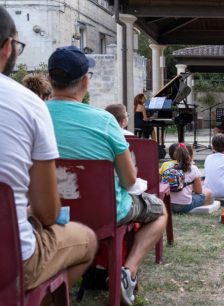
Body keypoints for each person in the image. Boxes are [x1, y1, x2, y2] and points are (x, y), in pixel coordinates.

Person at [46, 46, 167, 306]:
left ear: (50, 79)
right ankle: (128, 271)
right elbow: (128, 180)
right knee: (159, 211)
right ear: (86, 81)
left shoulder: (33, 114)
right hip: (104, 213)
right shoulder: (104, 120)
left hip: (48, 211)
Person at [0, 7, 97, 295]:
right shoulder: (29, 105)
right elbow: (46, 213)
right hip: (10, 260)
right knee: (87, 239)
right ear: (7, 47)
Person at [167, 144, 213, 213]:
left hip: (170, 205)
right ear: (188, 155)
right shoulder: (193, 168)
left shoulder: (169, 168)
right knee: (208, 193)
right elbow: (199, 191)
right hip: (184, 206)